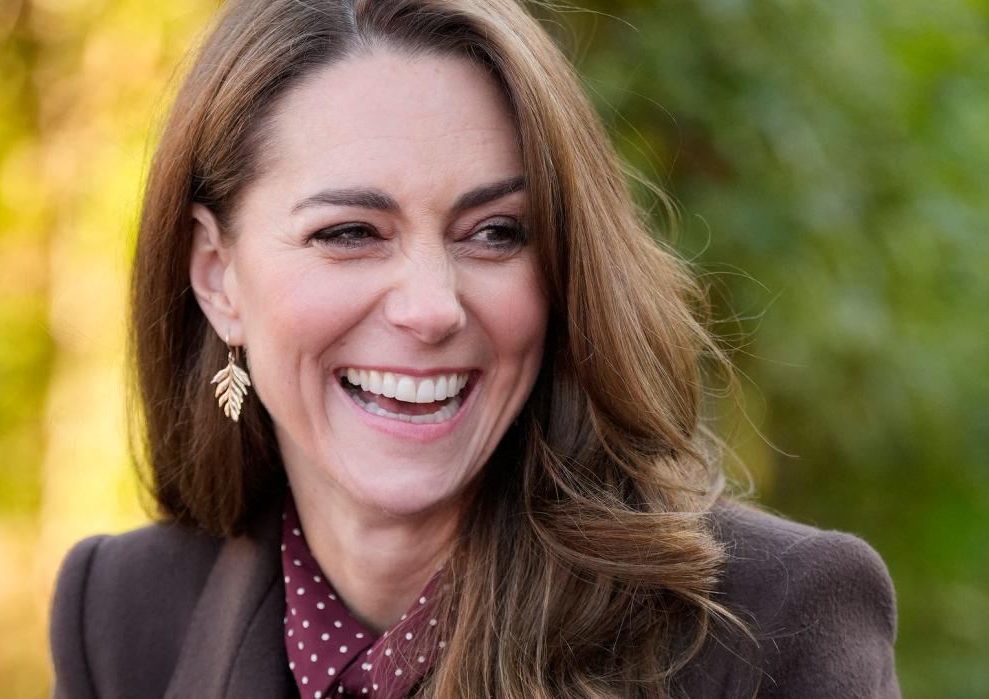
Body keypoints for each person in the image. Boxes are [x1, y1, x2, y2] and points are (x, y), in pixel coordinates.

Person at [48, 0, 900, 697]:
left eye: (495, 232)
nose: (431, 307)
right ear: (217, 277)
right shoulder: (121, 617)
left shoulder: (779, 622)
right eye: (350, 232)